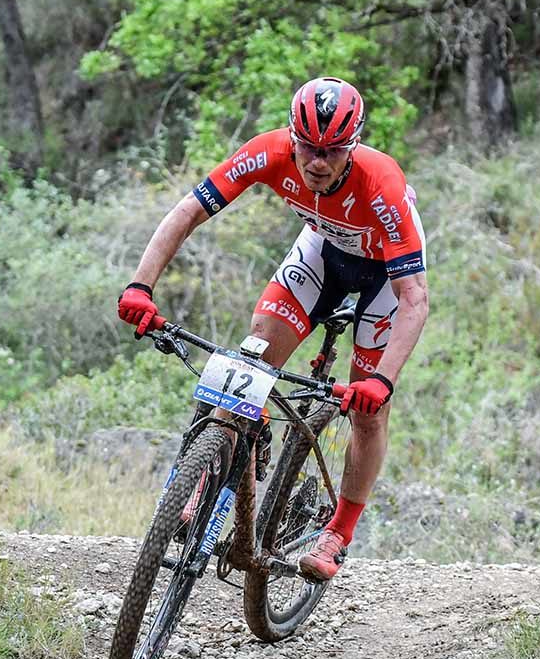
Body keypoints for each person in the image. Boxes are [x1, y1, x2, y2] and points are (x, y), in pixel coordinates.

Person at [116, 77, 428, 581]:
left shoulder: (381, 183)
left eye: (332, 151)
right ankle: (215, 465)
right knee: (255, 352)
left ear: (352, 145)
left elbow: (416, 298)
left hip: (385, 278)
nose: (317, 162)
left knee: (371, 413)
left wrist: (382, 381)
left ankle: (338, 532)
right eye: (307, 147)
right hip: (323, 252)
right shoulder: (268, 152)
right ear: (291, 135)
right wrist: (140, 286)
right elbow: (188, 211)